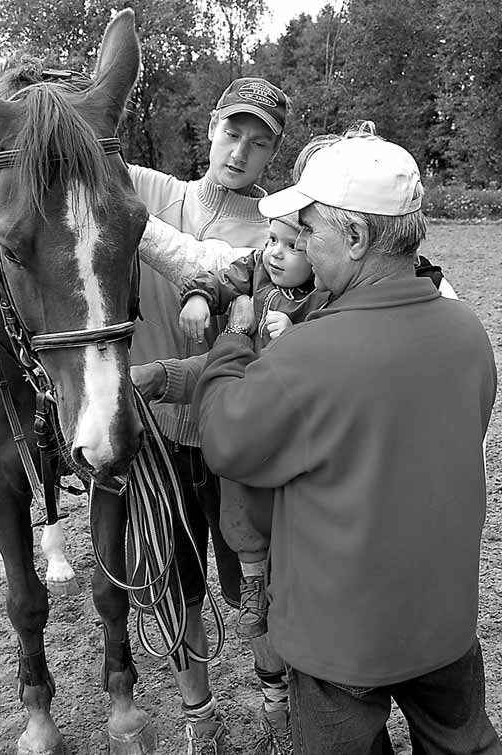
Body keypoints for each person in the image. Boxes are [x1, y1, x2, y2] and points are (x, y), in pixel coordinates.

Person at [191, 133, 501, 754]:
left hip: (340, 643)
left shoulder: (309, 354)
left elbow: (226, 440)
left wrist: (233, 340)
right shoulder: (467, 333)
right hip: (443, 626)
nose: (299, 244)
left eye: (309, 231)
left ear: (355, 239)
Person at [128, 77, 293, 754]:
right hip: (154, 434)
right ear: (210, 126)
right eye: (233, 133)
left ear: (270, 158)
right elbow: (68, 151)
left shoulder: (274, 235)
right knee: (174, 580)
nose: (239, 153)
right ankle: (198, 710)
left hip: (231, 437)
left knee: (257, 584)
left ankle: (274, 695)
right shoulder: (147, 189)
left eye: (258, 145)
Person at [177, 212, 329, 640]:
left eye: (292, 245)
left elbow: (331, 340)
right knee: (237, 491)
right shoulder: (258, 268)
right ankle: (252, 585)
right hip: (255, 404)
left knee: (288, 504)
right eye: (272, 239)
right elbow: (219, 278)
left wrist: (295, 330)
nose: (276, 252)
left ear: (317, 252)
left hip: (292, 411)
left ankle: (289, 583)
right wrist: (201, 298)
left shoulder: (322, 294)